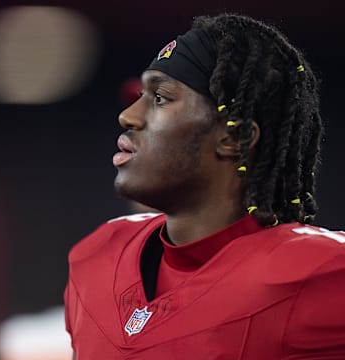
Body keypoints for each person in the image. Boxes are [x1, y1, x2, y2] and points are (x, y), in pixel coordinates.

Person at [64, 13, 345, 359]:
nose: (128, 116)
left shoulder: (324, 274)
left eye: (161, 98)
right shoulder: (96, 256)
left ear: (232, 138)